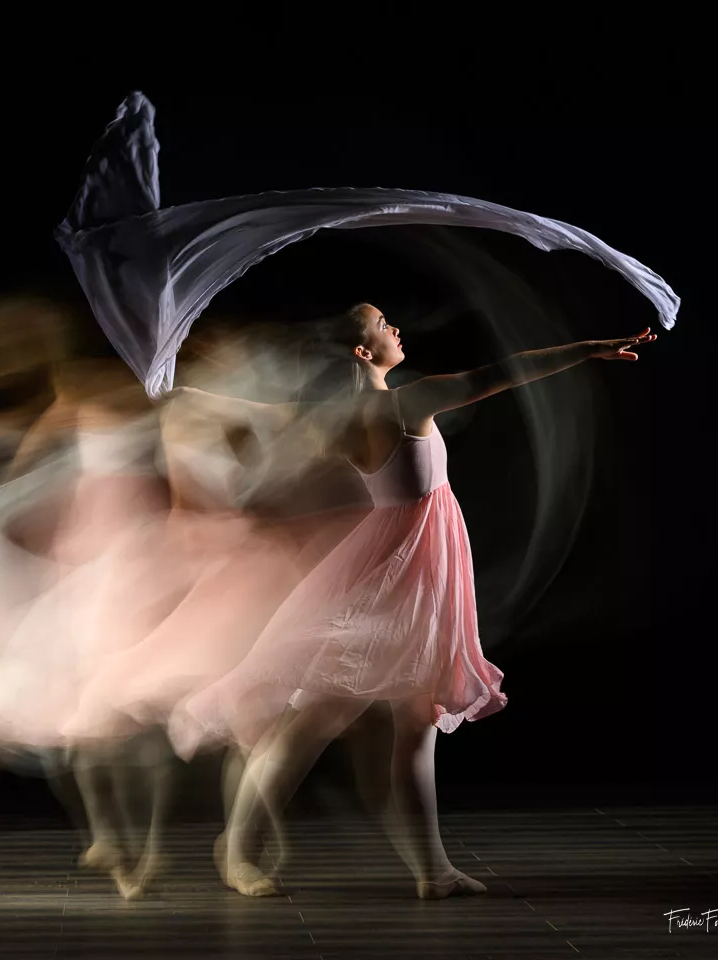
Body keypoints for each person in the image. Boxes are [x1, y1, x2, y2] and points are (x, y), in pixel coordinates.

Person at [171, 304, 654, 898]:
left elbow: (264, 412)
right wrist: (589, 348)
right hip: (395, 573)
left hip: (413, 572)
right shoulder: (408, 402)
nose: (396, 327)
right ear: (363, 352)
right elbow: (502, 372)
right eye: (381, 323)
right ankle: (237, 849)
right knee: (320, 717)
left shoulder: (341, 415)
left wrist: (185, 391)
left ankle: (434, 871)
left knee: (416, 721)